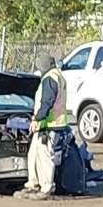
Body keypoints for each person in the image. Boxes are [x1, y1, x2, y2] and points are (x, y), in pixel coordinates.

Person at [23, 64, 67, 196]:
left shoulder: (50, 78)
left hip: (49, 124)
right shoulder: (58, 75)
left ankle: (46, 187)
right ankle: (33, 183)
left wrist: (37, 118)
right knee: (33, 154)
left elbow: (47, 102)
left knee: (45, 156)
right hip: (49, 124)